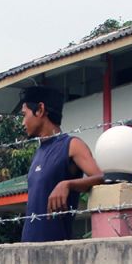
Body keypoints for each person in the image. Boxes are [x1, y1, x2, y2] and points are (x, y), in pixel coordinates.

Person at [17, 86, 104, 242]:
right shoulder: (38, 152)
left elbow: (99, 177)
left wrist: (67, 184)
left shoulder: (71, 145)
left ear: (40, 110)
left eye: (24, 115)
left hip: (57, 249)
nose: (23, 122)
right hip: (28, 246)